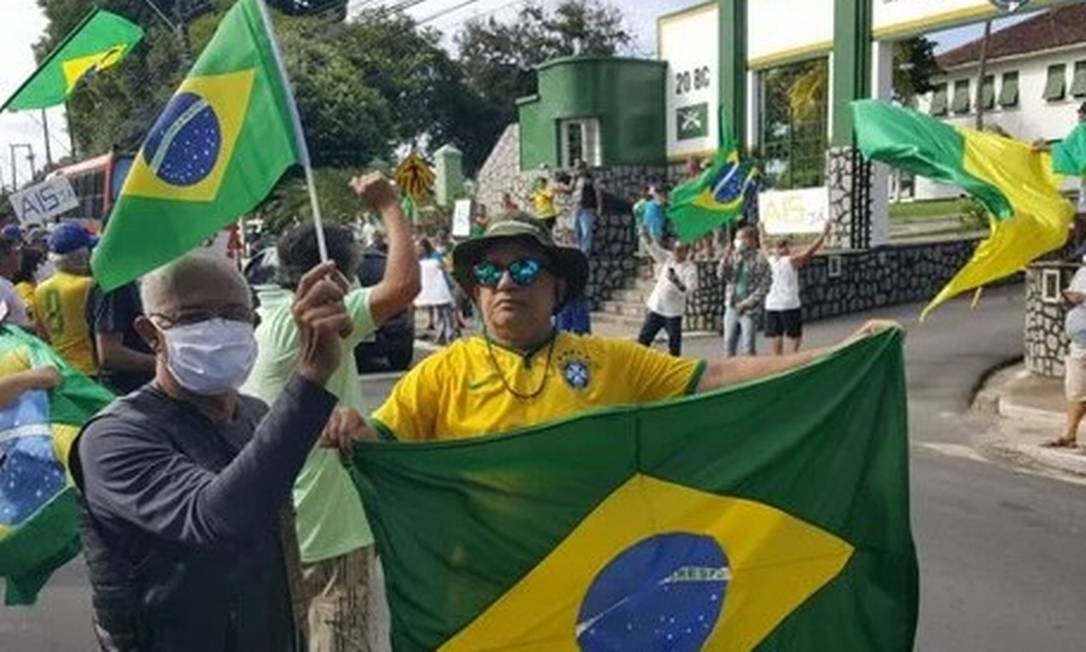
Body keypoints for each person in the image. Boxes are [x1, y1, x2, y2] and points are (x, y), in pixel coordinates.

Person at [366, 213, 895, 442]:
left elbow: (716, 374)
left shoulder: (606, 361)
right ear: (477, 291)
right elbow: (380, 438)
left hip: (586, 593)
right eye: (489, 271)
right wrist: (344, 423)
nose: (506, 282)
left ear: (556, 290)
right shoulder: (441, 375)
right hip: (482, 601)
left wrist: (839, 353)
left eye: (524, 268)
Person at [73, 253, 352, 651]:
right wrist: (310, 379)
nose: (217, 327)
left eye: (234, 313)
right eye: (193, 316)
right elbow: (214, 519)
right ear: (151, 334)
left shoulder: (253, 413)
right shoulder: (115, 438)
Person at [242, 172, 418, 652]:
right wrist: (388, 204)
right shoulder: (320, 321)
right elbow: (403, 285)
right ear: (340, 274)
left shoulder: (265, 323)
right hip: (331, 528)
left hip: (283, 530)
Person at [33, 224, 98, 376]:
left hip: (60, 367)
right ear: (82, 256)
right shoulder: (88, 286)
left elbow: (42, 335)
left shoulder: (40, 289)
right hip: (89, 368)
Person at [760, 219, 831, 355]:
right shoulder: (791, 261)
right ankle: (793, 355)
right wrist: (824, 234)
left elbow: (763, 245)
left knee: (776, 334)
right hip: (789, 303)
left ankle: (778, 360)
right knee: (795, 334)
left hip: (772, 303)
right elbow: (810, 251)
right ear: (786, 248)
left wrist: (761, 230)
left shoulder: (772, 260)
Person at [86, 282, 156, 395]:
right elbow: (110, 355)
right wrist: (166, 364)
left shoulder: (140, 282)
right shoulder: (116, 287)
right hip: (128, 392)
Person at [637, 235, 697, 356]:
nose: (676, 252)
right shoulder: (668, 259)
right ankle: (639, 363)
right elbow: (655, 250)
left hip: (673, 312)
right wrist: (647, 237)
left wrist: (677, 282)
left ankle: (673, 370)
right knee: (643, 339)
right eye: (675, 249)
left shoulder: (690, 269)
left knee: (674, 346)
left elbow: (689, 290)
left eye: (680, 249)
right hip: (657, 307)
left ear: (686, 251)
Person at [718, 226, 771, 357]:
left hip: (749, 310)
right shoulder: (733, 256)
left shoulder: (760, 259)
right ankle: (730, 374)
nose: (738, 241)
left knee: (748, 347)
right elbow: (722, 276)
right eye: (737, 238)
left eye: (741, 238)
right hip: (732, 306)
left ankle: (750, 373)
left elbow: (765, 285)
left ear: (751, 240)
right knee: (728, 345)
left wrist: (748, 302)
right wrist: (725, 259)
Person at [1051, 256, 1086, 449]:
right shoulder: (1082, 272)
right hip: (1080, 343)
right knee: (1076, 390)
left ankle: (1069, 434)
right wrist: (1069, 297)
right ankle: (1069, 434)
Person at [417, 237, 458, 345]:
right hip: (435, 291)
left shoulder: (435, 256)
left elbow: (444, 268)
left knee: (447, 314)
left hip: (445, 288)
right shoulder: (424, 258)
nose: (418, 250)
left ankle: (450, 336)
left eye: (420, 247)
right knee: (440, 314)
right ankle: (441, 336)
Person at [572, 160, 603, 255]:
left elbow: (598, 193)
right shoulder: (576, 179)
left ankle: (585, 252)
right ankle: (580, 250)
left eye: (580, 168)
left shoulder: (591, 179)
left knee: (587, 231)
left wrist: (599, 207)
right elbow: (570, 189)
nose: (577, 170)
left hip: (588, 208)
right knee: (577, 231)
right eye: (576, 168)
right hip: (577, 207)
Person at [0, 236, 32, 328]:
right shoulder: (2, 287)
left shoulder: (7, 284)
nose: (20, 257)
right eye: (16, 253)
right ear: (3, 258)